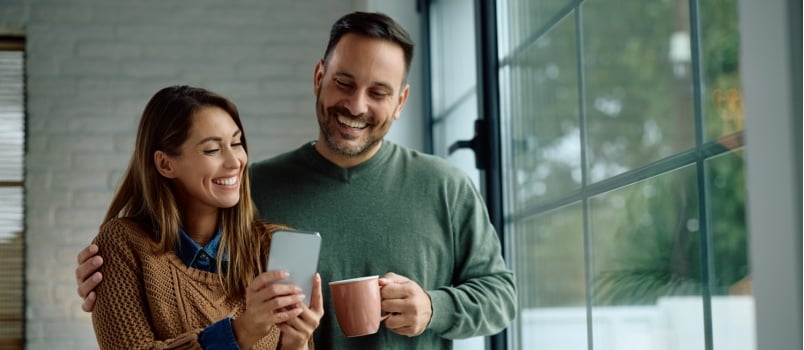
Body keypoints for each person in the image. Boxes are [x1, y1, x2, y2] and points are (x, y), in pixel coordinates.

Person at [76, 12, 517, 349]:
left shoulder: (445, 185)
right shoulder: (250, 194)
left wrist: (434, 308)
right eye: (344, 82)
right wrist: (113, 279)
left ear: (401, 101)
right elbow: (181, 271)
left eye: (378, 92)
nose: (356, 105)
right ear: (319, 77)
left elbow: (501, 295)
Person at [87, 85, 323, 349]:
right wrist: (241, 332)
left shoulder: (269, 247)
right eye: (212, 150)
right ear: (165, 164)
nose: (235, 161)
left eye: (236, 143)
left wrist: (298, 344)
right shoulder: (124, 245)